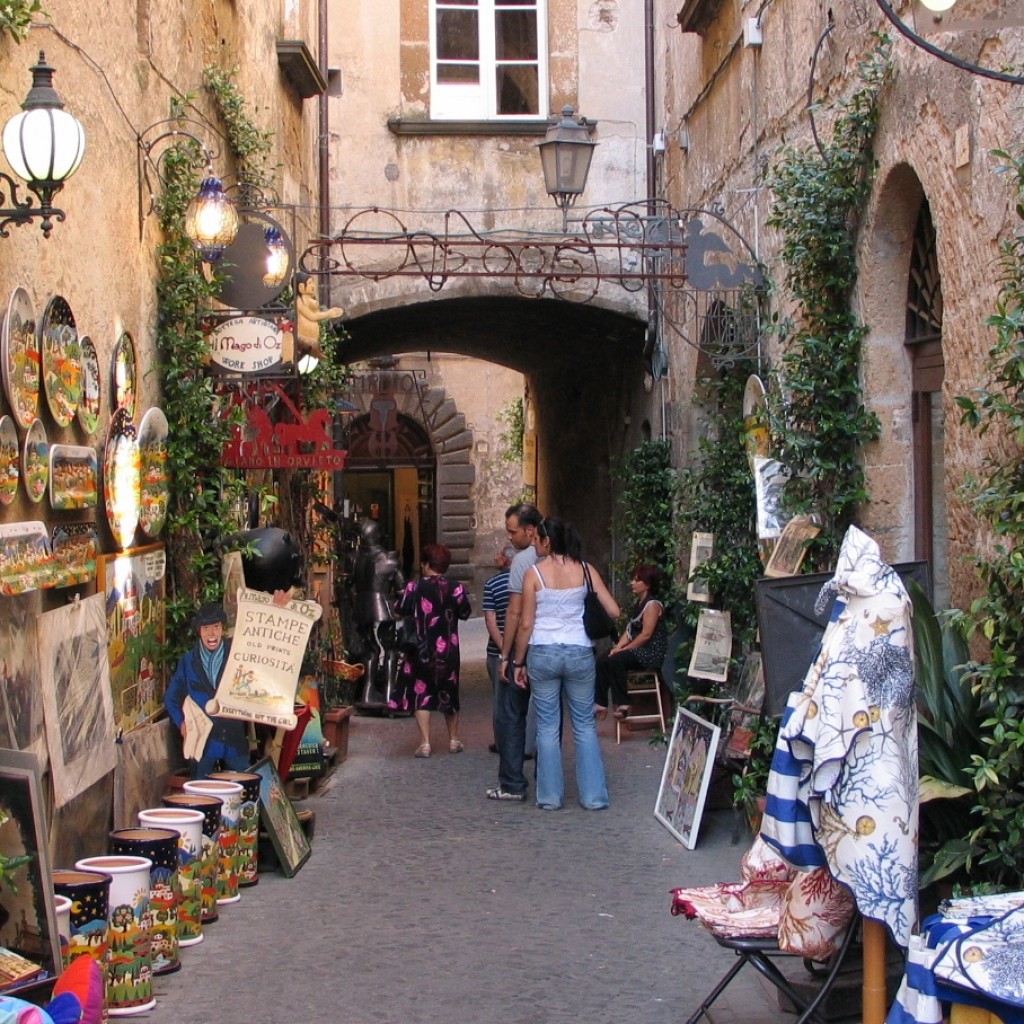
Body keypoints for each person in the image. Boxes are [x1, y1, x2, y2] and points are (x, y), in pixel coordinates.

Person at [510, 517, 619, 810]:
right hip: (579, 651)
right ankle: (594, 797)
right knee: (584, 725)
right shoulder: (585, 569)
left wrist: (518, 662)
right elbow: (614, 610)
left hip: (543, 652)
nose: (534, 545)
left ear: (548, 541)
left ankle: (549, 797)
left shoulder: (534, 574)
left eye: (537, 540)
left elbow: (526, 623)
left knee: (547, 726)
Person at [392, 543, 472, 756]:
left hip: (421, 648)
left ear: (426, 564)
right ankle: (454, 740)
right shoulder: (455, 587)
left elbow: (399, 609)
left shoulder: (414, 587)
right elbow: (465, 612)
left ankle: (425, 743)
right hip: (448, 649)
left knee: (421, 693)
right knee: (450, 692)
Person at [489, 502, 544, 801]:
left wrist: (506, 656)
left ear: (530, 530)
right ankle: (548, 784)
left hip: (526, 649)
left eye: (513, 532)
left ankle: (512, 783)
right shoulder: (566, 559)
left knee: (510, 716)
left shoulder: (524, 562)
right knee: (549, 719)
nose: (510, 538)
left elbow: (514, 613)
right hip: (554, 649)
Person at [165, 602, 250, 779]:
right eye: (206, 628)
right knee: (200, 793)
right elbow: (171, 698)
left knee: (244, 789)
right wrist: (181, 722)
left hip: (233, 738)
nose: (211, 634)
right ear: (199, 631)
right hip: (202, 743)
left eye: (216, 627)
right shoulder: (188, 662)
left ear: (222, 629)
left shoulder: (238, 657)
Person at [594, 564, 668, 719]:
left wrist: (623, 650)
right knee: (603, 659)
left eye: (637, 580)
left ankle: (624, 703)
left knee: (617, 659)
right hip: (636, 650)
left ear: (647, 584)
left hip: (650, 652)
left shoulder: (652, 604)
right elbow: (629, 631)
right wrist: (618, 646)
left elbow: (646, 635)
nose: (632, 583)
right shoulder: (639, 604)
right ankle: (601, 704)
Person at [352, 518, 406, 707]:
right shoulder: (389, 558)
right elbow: (401, 589)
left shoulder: (355, 557)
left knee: (370, 650)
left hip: (361, 607)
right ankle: (390, 694)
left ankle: (367, 693)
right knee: (390, 648)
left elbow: (349, 584)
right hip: (383, 606)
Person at [483, 545, 515, 754]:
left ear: (506, 559)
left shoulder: (492, 584)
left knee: (500, 699)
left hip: (497, 651)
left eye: (498, 555)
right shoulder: (526, 581)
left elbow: (490, 619)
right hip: (523, 648)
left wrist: (504, 646)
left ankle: (502, 741)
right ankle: (524, 741)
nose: (495, 558)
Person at [294, 271, 344, 360]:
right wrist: (328, 314)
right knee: (313, 344)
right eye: (309, 283)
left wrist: (330, 312)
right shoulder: (299, 302)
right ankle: (313, 354)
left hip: (310, 336)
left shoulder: (311, 301)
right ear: (301, 287)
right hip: (302, 335)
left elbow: (316, 313)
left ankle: (311, 354)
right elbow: (311, 316)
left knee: (313, 344)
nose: (313, 286)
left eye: (313, 283)